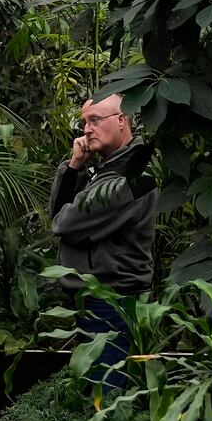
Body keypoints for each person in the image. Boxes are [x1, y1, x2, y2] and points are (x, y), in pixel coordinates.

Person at [49, 93, 158, 383]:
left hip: (111, 302)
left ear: (122, 121)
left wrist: (77, 172)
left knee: (106, 395)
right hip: (97, 300)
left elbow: (62, 222)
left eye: (95, 120)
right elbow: (60, 215)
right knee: (94, 390)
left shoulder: (131, 175)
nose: (86, 129)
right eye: (84, 122)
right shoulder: (107, 168)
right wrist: (74, 167)